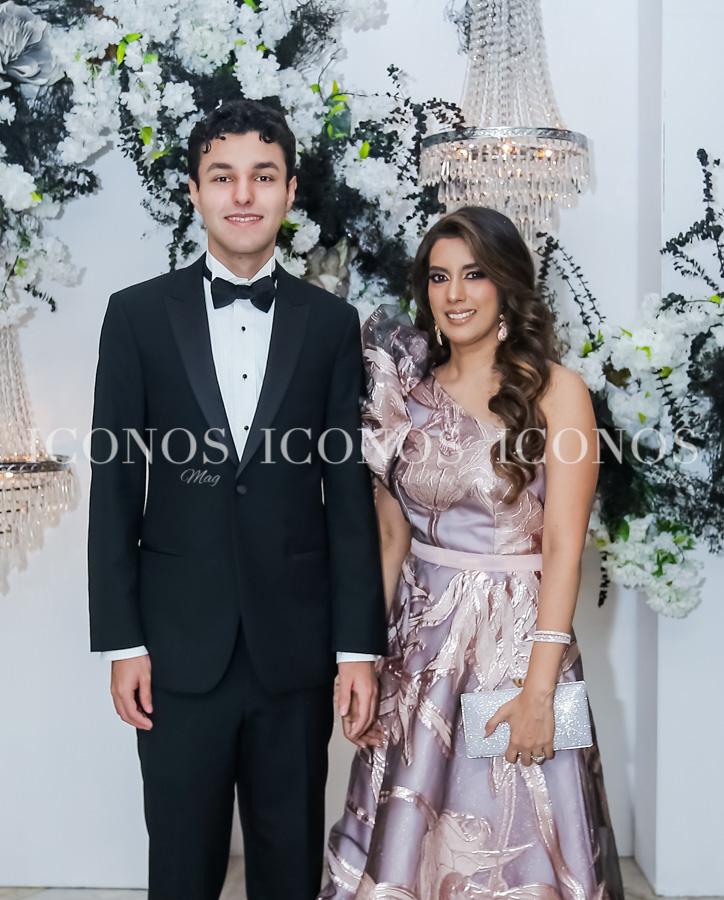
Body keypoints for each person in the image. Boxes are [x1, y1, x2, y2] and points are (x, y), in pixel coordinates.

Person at [87, 99, 387, 900]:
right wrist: (122, 642)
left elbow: (347, 496)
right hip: (175, 648)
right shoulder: (136, 315)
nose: (243, 194)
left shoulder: (332, 324)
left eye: (263, 176)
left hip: (297, 648)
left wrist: (357, 648)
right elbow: (115, 486)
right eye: (223, 177)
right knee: (180, 867)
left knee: (289, 864)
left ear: (290, 191)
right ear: (194, 192)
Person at [320, 207, 624, 899]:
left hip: (516, 650)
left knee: (511, 838)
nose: (454, 294)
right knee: (408, 842)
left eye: (474, 274)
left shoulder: (558, 392)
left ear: (507, 284)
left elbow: (563, 548)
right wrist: (361, 656)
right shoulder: (404, 395)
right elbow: (390, 537)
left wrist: (540, 691)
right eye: (438, 277)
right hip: (418, 653)